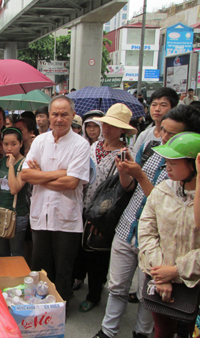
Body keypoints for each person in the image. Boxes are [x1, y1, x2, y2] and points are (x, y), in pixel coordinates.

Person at [91, 104, 200, 338]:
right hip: (128, 227)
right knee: (116, 287)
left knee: (146, 294)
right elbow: (133, 192)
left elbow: (163, 211)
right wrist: (125, 171)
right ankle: (108, 331)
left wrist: (172, 271)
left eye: (171, 133)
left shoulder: (186, 187)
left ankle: (141, 333)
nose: (163, 137)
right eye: (162, 130)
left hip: (162, 249)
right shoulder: (153, 150)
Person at [21, 95, 90, 303]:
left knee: (63, 268)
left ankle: (60, 307)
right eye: (55, 114)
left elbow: (72, 183)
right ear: (49, 116)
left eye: (64, 114)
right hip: (41, 214)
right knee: (41, 265)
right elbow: (25, 175)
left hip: (66, 217)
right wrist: (59, 173)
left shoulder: (81, 145)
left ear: (73, 115)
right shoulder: (40, 141)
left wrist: (40, 176)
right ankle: (41, 305)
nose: (59, 119)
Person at [139, 132, 200, 338]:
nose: (168, 167)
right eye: (167, 161)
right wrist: (159, 274)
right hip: (159, 281)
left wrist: (176, 270)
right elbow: (147, 231)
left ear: (193, 165)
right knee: (162, 331)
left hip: (193, 284)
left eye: (174, 162)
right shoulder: (162, 190)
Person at [77, 104, 137, 313]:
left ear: (123, 130)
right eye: (106, 124)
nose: (107, 128)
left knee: (97, 253)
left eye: (114, 126)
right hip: (84, 205)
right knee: (82, 247)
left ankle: (94, 294)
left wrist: (124, 170)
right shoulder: (93, 147)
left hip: (104, 211)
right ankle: (79, 279)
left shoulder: (126, 153)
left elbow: (128, 186)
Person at [0, 128, 29, 257]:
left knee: (16, 252)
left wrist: (11, 166)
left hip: (17, 214)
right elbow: (1, 184)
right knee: (2, 252)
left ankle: (17, 277)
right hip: (1, 212)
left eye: (13, 144)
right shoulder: (2, 161)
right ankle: (3, 277)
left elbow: (14, 188)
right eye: (6, 144)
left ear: (21, 144)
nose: (9, 148)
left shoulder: (24, 163)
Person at [134, 87, 179, 152]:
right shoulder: (144, 135)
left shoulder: (177, 136)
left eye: (163, 105)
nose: (157, 109)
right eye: (154, 105)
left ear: (173, 108)